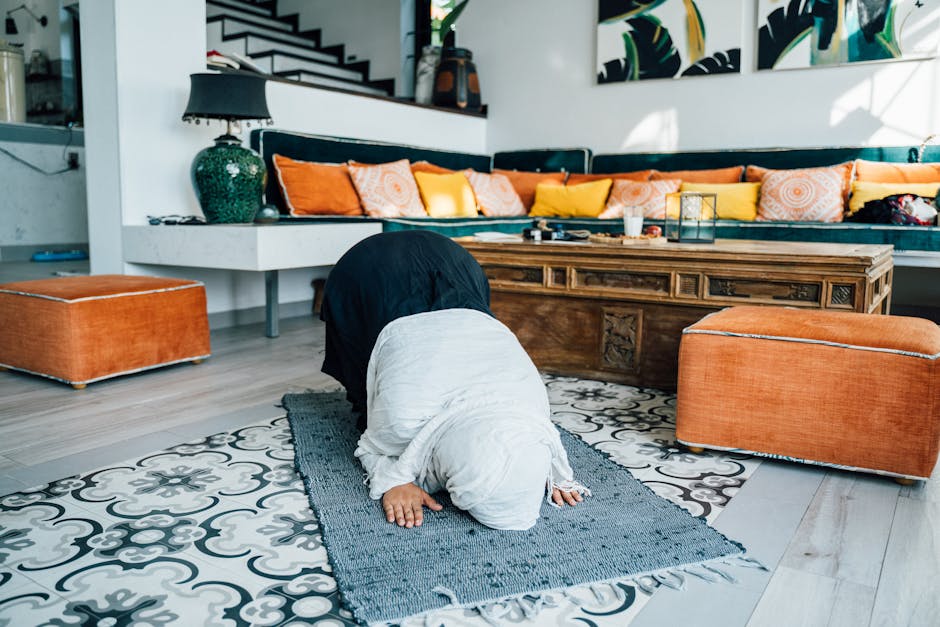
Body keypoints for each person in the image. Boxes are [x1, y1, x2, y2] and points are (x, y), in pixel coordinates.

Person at [320, 231, 589, 531]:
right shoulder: (403, 418)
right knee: (366, 392)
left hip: (455, 259)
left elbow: (534, 443)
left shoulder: (534, 409)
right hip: (372, 268)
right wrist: (395, 479)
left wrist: (538, 470)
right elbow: (371, 446)